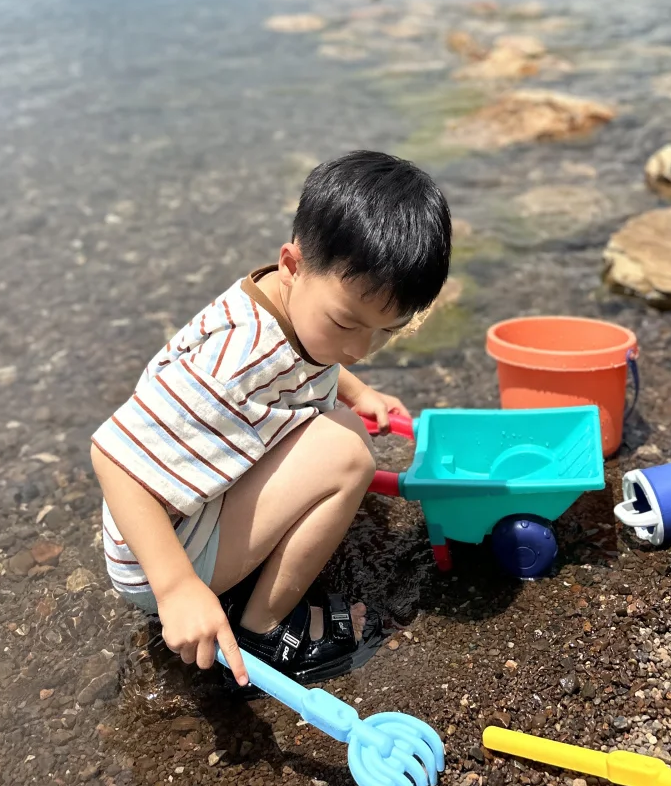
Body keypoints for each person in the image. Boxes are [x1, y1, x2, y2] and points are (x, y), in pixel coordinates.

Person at [90, 149, 451, 687]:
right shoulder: (238, 362)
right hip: (163, 554)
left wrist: (357, 391)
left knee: (341, 425)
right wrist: (176, 588)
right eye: (349, 324)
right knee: (348, 453)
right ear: (292, 263)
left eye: (387, 332)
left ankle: (235, 585)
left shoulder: (289, 301)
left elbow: (313, 356)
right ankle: (263, 629)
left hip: (192, 517)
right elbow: (114, 457)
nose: (363, 348)